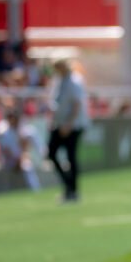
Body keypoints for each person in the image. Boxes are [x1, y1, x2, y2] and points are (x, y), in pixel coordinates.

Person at [48, 58, 90, 202]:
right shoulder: (59, 80)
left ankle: (73, 191)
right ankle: (68, 186)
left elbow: (77, 104)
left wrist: (69, 124)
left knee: (71, 157)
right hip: (60, 124)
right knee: (51, 153)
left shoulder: (74, 81)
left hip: (73, 126)